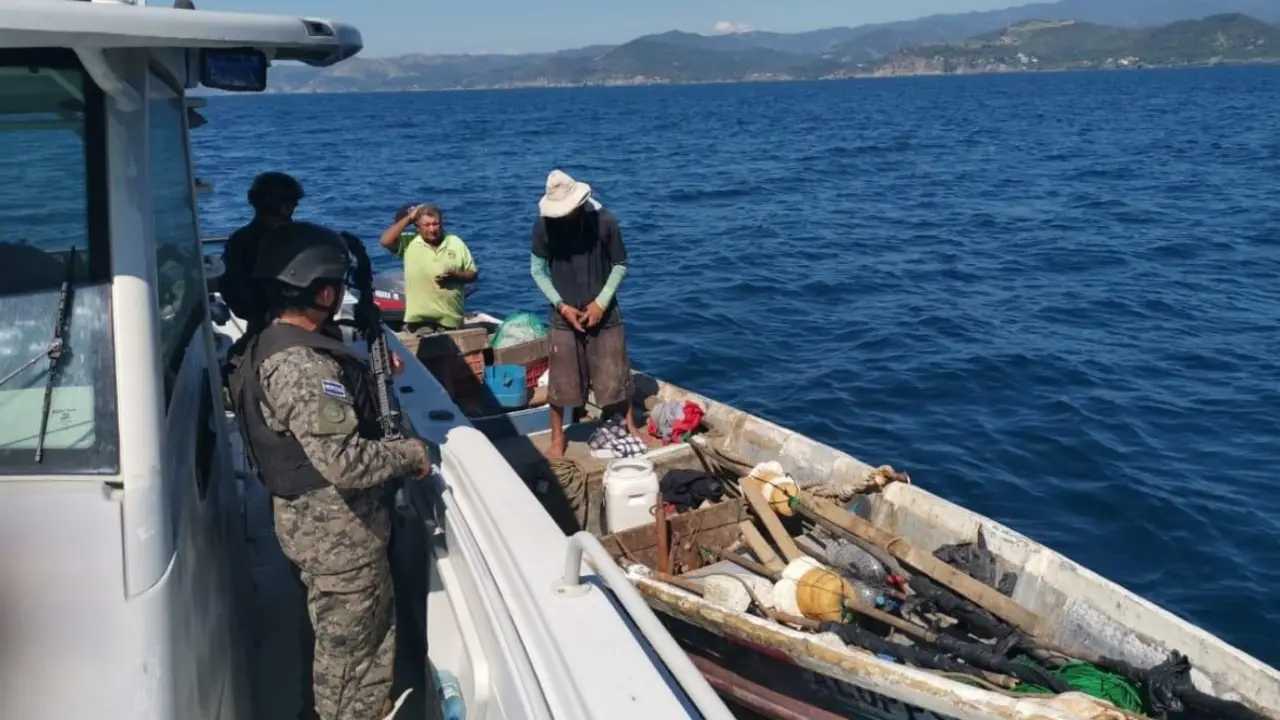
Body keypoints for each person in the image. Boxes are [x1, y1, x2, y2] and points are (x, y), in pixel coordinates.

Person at [227, 220, 431, 720]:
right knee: (354, 663)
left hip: (311, 529)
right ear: (321, 291)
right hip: (339, 538)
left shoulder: (267, 339)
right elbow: (345, 462)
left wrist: (358, 365)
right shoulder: (301, 365)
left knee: (332, 639)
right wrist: (411, 454)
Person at [530, 169, 643, 459]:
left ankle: (628, 425)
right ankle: (557, 437)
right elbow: (537, 270)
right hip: (563, 314)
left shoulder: (605, 221)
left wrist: (601, 303)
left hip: (604, 312)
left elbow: (620, 263)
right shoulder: (543, 226)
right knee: (562, 382)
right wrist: (562, 306)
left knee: (615, 375)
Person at [221, 171, 304, 333]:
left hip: (257, 326)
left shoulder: (239, 240)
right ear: (283, 206)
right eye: (292, 203)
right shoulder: (289, 240)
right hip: (290, 324)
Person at [377, 203, 478, 334]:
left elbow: (472, 273)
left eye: (435, 224)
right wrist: (409, 218)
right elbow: (385, 241)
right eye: (426, 225)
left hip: (451, 319)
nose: (432, 229)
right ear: (418, 227)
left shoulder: (455, 242)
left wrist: (456, 276)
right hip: (421, 320)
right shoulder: (410, 242)